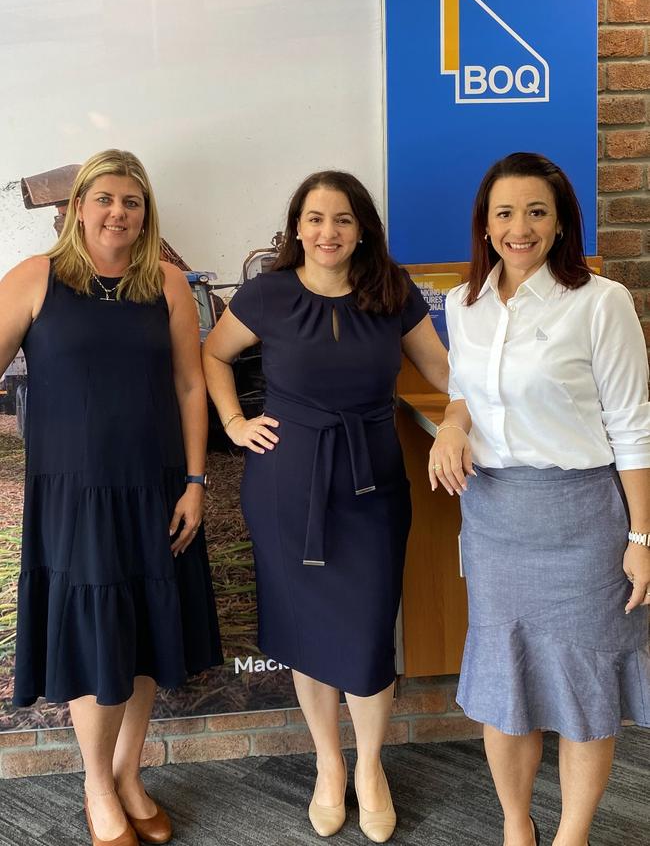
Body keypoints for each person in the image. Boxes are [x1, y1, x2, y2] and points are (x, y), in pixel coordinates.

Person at [203, 170, 448, 842]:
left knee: (369, 634)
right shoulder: (268, 294)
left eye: (341, 219)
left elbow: (441, 369)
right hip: (285, 484)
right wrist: (232, 423)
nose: (328, 232)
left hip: (370, 481)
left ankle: (371, 766)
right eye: (314, 218)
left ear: (362, 227)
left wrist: (463, 415)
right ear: (297, 227)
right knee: (307, 632)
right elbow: (213, 354)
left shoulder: (391, 291)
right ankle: (327, 765)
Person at [1, 150, 222, 846]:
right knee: (96, 636)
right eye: (104, 198)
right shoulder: (37, 278)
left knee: (146, 632)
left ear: (145, 211)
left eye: (131, 200)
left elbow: (191, 386)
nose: (117, 212)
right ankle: (96, 786)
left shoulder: (167, 283)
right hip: (73, 495)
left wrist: (194, 481)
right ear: (78, 208)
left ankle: (128, 773)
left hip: (156, 485)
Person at [429, 152, 650, 846]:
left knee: (587, 692)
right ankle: (517, 827)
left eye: (536, 212)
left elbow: (633, 425)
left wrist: (642, 537)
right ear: (484, 225)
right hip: (495, 517)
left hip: (583, 521)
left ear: (560, 225)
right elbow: (463, 393)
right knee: (506, 687)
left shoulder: (601, 302)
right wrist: (452, 427)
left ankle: (573, 834)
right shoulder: (462, 304)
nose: (518, 227)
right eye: (504, 213)